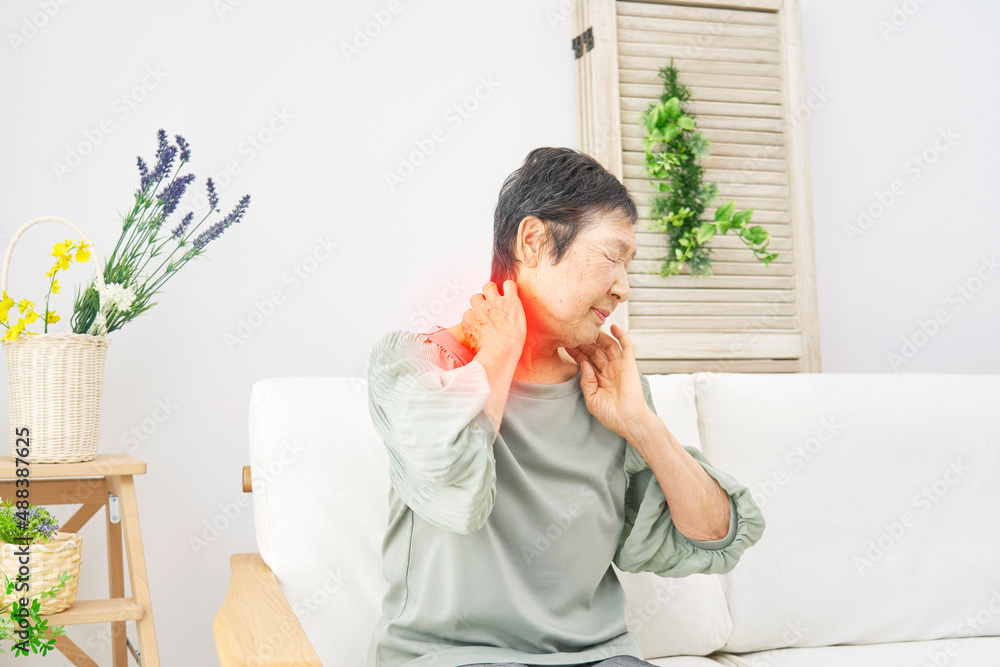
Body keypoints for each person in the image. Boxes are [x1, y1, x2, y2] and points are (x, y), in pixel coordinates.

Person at [365, 147, 766, 667]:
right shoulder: (416, 365)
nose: (623, 288)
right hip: (452, 657)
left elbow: (715, 536)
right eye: (612, 256)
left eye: (628, 265)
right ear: (533, 242)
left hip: (597, 657)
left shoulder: (608, 392)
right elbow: (455, 491)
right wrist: (501, 351)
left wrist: (640, 424)